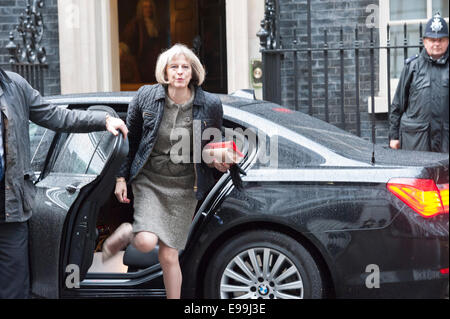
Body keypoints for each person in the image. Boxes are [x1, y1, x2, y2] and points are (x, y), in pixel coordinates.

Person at [102, 44, 229, 299]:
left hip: (185, 186)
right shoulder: (146, 97)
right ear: (165, 72)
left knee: (170, 255)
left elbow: (213, 144)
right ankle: (128, 232)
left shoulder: (210, 104)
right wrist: (120, 178)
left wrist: (220, 161)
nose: (180, 72)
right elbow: (131, 139)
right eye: (174, 67)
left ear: (193, 73)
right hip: (150, 180)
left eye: (185, 67)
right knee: (146, 242)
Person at [0, 68, 128, 299]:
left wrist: (104, 119)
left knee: (15, 288)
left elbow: (57, 116)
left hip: (10, 211)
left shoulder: (14, 85)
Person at [389, 13, 449, 153]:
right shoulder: (412, 67)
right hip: (416, 142)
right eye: (432, 39)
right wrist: (394, 136)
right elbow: (398, 104)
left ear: (447, 41)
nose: (436, 43)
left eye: (441, 39)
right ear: (424, 41)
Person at [120, 0, 165, 83]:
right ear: (141, 9)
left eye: (150, 7)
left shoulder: (156, 24)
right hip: (142, 61)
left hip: (156, 60)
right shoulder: (135, 24)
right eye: (145, 7)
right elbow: (127, 41)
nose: (148, 9)